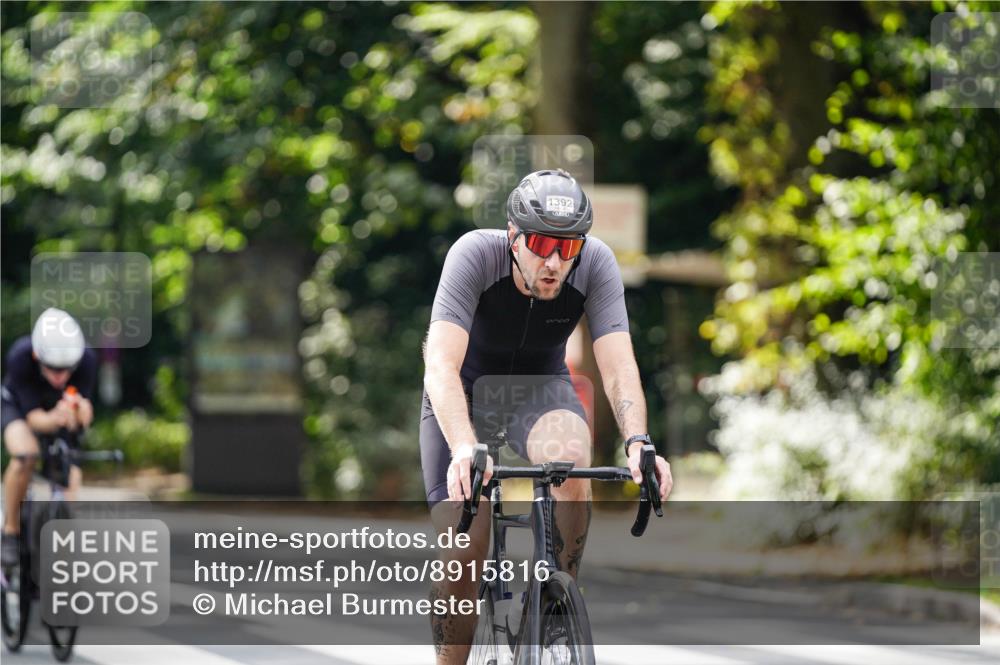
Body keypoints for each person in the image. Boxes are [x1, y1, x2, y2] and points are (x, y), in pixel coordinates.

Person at [420, 169, 673, 663]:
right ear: (514, 237)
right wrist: (464, 448)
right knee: (465, 548)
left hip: (539, 391)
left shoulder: (595, 263)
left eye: (568, 246)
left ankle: (557, 607)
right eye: (540, 243)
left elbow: (619, 366)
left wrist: (640, 442)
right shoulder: (474, 254)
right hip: (464, 395)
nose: (556, 260)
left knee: (572, 460)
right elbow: (441, 364)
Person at [1, 308, 97, 567]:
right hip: (20, 408)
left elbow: (81, 418)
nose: (61, 377)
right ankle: (10, 531)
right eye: (54, 369)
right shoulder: (21, 356)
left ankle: (62, 547)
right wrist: (56, 418)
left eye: (67, 370)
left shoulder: (86, 359)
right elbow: (33, 418)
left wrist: (81, 414)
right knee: (25, 455)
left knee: (71, 472)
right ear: (37, 357)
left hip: (59, 410)